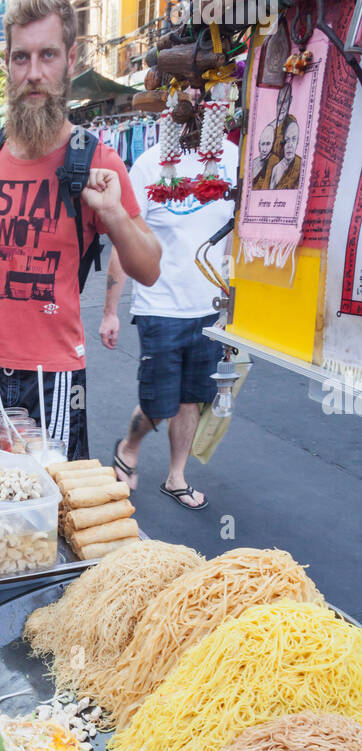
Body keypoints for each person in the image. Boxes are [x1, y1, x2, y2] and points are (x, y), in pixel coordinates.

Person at [0, 0, 160, 459]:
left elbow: (149, 268)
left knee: (54, 509)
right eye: (21, 58)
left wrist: (113, 214)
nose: (33, 73)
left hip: (54, 375)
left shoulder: (95, 157)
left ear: (70, 60)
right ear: (9, 63)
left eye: (48, 56)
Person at [100, 130, 238, 509]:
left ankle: (176, 476)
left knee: (192, 398)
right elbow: (123, 237)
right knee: (160, 403)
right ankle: (129, 446)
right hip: (159, 305)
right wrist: (110, 311)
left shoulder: (232, 157)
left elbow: (240, 234)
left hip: (210, 306)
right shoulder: (149, 164)